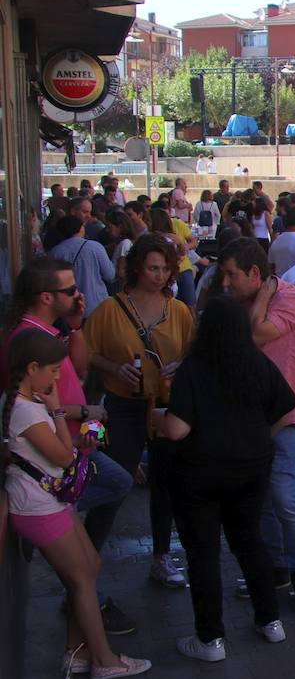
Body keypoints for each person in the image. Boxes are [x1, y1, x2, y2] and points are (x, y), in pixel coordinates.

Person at [151, 297, 295, 660]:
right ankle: (271, 621)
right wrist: (258, 435)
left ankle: (210, 638)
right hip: (251, 469)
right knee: (250, 543)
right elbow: (285, 409)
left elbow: (177, 429)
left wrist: (156, 418)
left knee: (203, 554)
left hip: (199, 475)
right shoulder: (257, 362)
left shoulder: (193, 370)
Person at [3, 328, 152, 679]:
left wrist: (84, 426)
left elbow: (73, 449)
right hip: (38, 508)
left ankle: (78, 652)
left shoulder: (30, 402)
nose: (57, 377)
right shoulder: (27, 411)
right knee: (82, 578)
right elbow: (63, 458)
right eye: (53, 370)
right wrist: (57, 411)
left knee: (89, 567)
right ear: (32, 368)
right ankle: (104, 659)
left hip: (51, 502)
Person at [3, 259, 135, 634]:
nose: (78, 294)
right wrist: (78, 411)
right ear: (46, 296)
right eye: (69, 290)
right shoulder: (24, 339)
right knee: (83, 562)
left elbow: (78, 370)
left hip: (78, 441)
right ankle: (81, 604)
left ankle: (81, 600)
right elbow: (30, 402)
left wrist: (75, 326)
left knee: (117, 484)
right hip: (60, 455)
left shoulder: (51, 329)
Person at [215, 239, 295, 617]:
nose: (225, 282)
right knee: (261, 500)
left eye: (231, 275)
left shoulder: (290, 298)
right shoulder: (240, 299)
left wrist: (266, 292)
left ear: (256, 274)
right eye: (222, 274)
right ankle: (277, 570)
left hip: (282, 418)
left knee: (286, 497)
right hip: (246, 418)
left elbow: (254, 334)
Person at [84, 234, 195, 589]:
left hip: (165, 408)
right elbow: (86, 352)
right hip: (123, 407)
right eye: (152, 268)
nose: (159, 275)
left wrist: (180, 365)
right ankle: (83, 561)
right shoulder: (110, 309)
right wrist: (114, 368)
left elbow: (193, 354)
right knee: (115, 483)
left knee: (165, 486)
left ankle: (161, 557)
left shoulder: (178, 311)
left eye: (164, 268)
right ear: (137, 268)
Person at [50, 215, 115, 311]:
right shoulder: (95, 247)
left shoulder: (55, 252)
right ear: (81, 228)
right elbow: (110, 275)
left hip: (68, 307)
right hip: (97, 305)